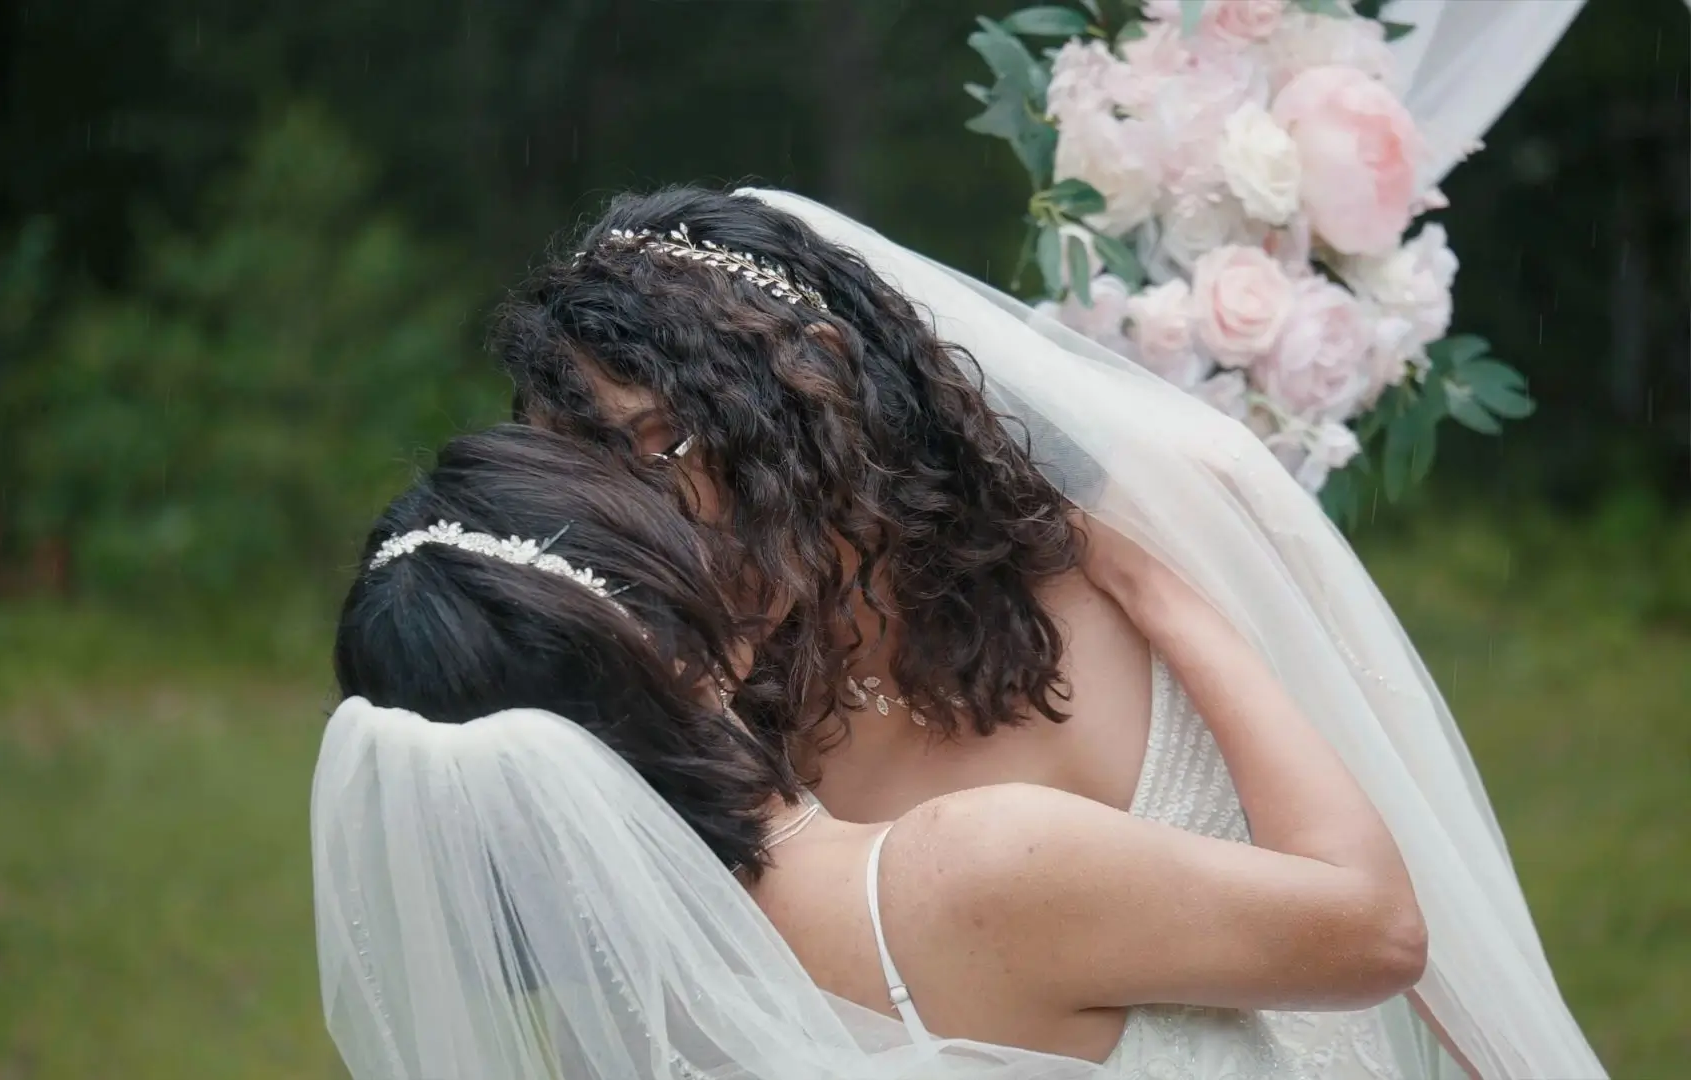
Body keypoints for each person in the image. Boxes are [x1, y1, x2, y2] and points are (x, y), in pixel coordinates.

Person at [490, 187, 1606, 1079]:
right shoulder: (712, 723)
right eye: (591, 473)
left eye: (658, 450)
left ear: (817, 376)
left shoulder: (1158, 541)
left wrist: (1168, 596)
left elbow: (1431, 928)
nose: (633, 516)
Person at [315, 423, 1426, 1080]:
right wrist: (1165, 591)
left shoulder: (630, 1013)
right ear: (686, 654)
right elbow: (1374, 929)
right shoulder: (968, 872)